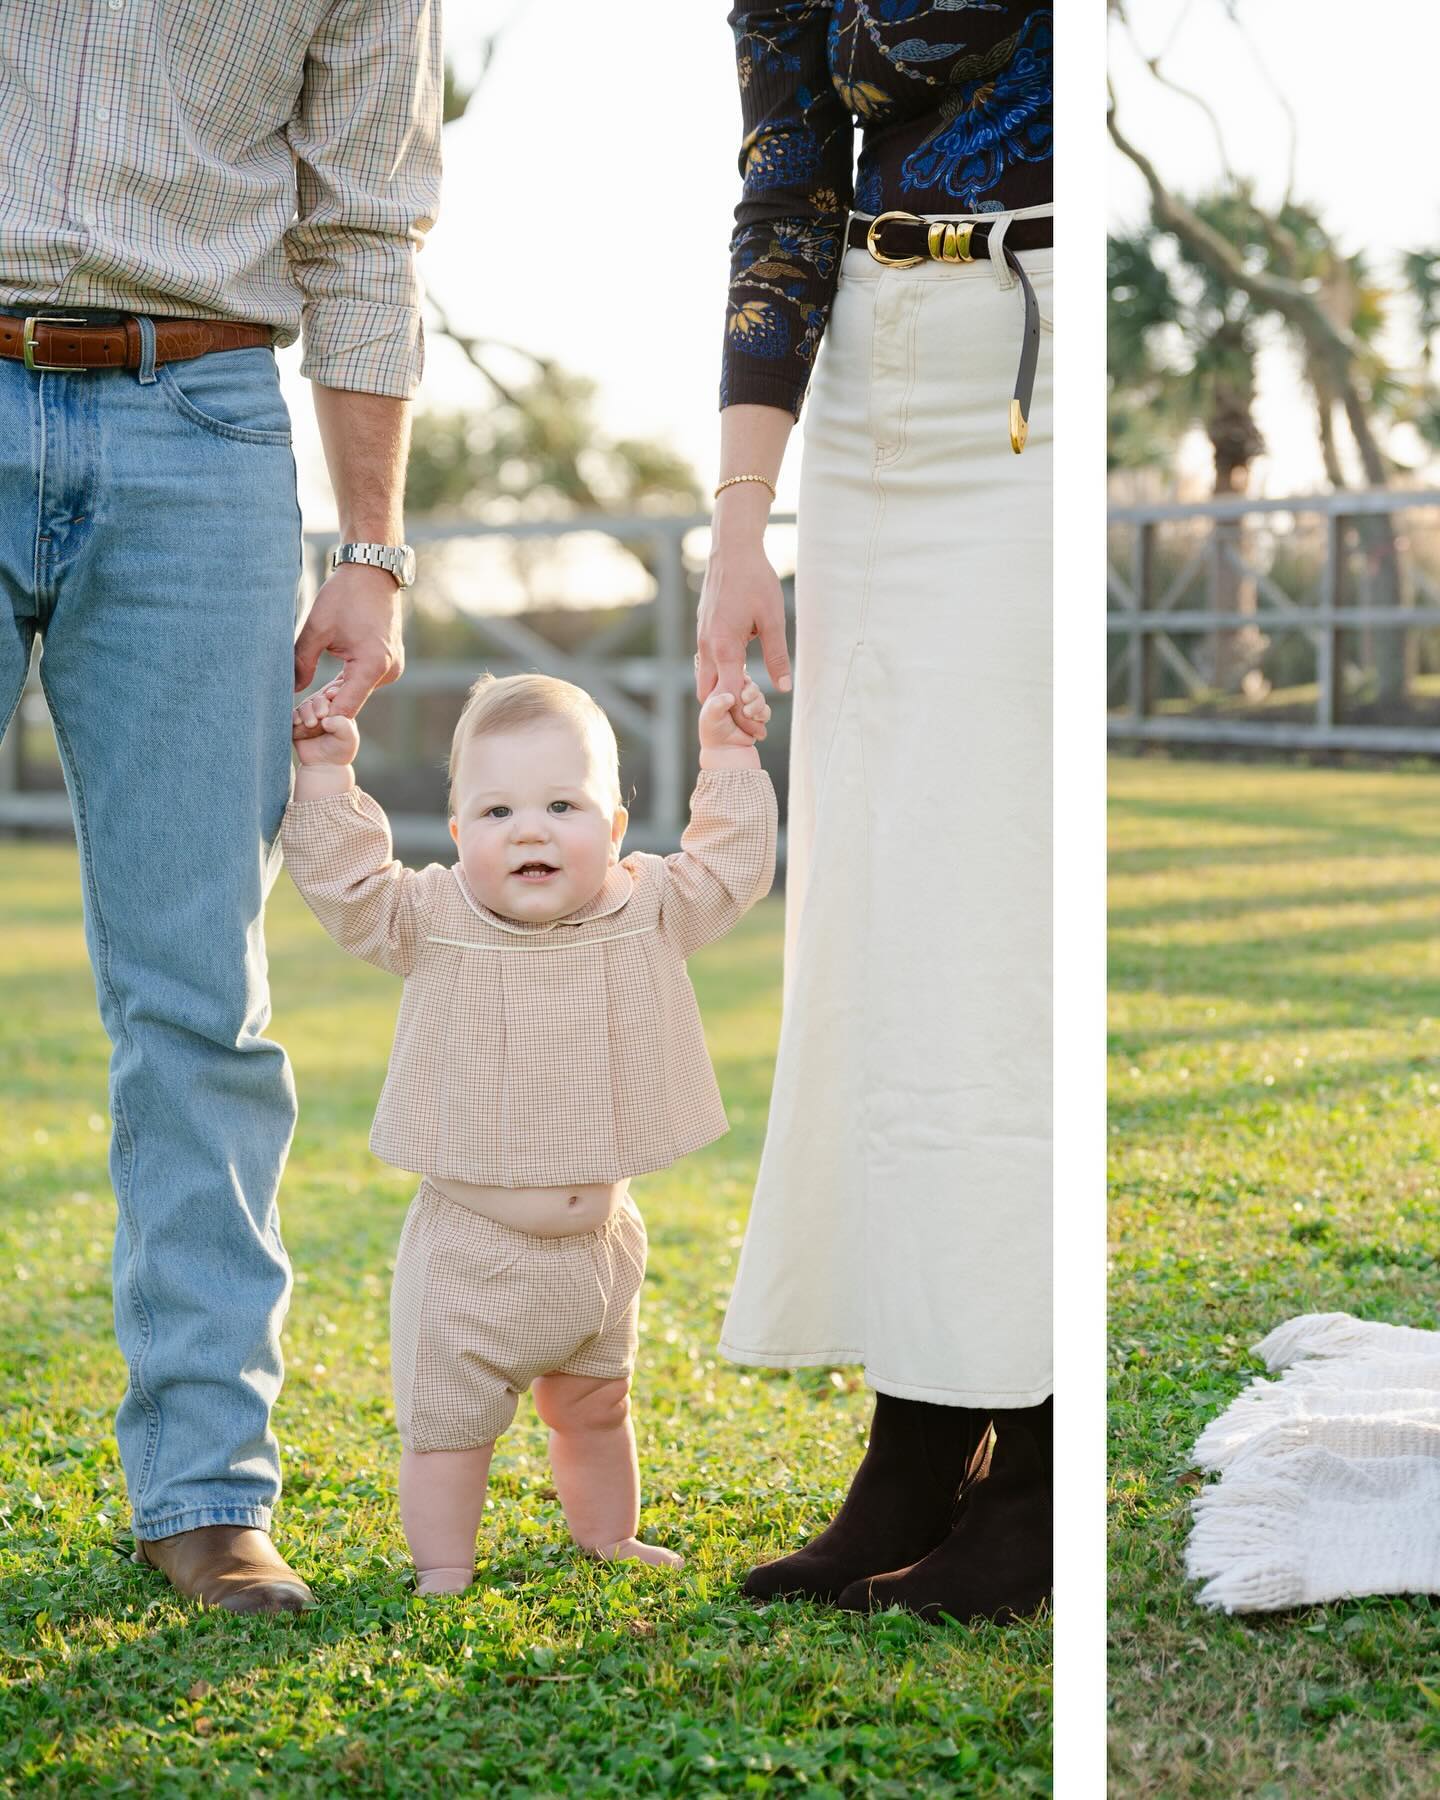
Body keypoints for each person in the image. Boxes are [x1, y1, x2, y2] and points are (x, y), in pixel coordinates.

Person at [0, 3, 442, 1611]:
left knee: (198, 998)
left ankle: (204, 1487)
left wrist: (373, 553)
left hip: (201, 429)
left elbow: (366, 229)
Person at [698, 1, 1054, 1622]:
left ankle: (1037, 1454)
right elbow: (786, 176)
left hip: (1042, 365)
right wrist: (740, 519)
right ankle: (920, 1435)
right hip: (869, 393)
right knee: (887, 943)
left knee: (1000, 939)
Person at [279, 672, 777, 1593]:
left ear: (616, 828)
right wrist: (325, 775)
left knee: (597, 1406)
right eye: (497, 810)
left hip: (601, 1250)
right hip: (471, 1257)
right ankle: (443, 1566)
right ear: (461, 834)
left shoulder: (650, 909)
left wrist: (730, 753)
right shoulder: (430, 919)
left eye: (563, 804)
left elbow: (731, 864)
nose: (531, 829)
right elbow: (348, 886)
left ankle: (608, 1537)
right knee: (450, 1430)